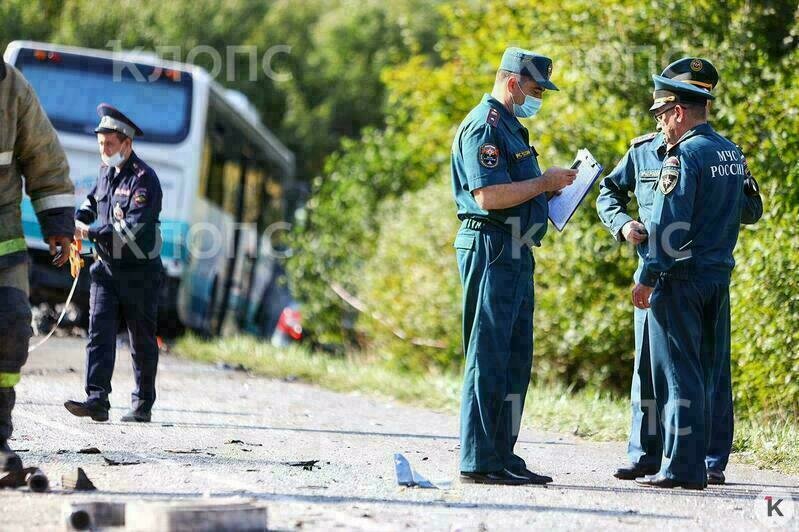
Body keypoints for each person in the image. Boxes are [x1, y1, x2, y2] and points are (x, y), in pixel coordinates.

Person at [596, 58, 762, 485]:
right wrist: (623, 225)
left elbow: (673, 228)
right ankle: (655, 454)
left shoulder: (684, 155)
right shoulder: (726, 151)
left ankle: (691, 463)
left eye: (661, 114)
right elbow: (746, 209)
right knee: (656, 371)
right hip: (709, 272)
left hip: (675, 275)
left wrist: (649, 276)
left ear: (677, 111)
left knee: (687, 372)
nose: (659, 122)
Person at [450, 47, 576, 485]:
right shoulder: (484, 128)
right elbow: (488, 197)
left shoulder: (512, 129)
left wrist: (551, 195)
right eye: (535, 88)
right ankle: (479, 459)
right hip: (491, 246)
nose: (538, 97)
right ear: (511, 82)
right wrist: (544, 183)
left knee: (515, 356)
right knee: (489, 354)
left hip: (517, 248)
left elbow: (517, 191)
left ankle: (503, 454)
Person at [64, 104, 163, 423]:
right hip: (106, 270)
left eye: (109, 144)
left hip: (139, 274)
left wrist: (90, 231)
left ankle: (143, 402)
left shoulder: (144, 180)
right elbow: (92, 200)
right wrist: (81, 217)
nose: (104, 150)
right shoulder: (107, 171)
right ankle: (97, 399)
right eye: (101, 144)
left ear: (126, 143)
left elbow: (131, 229)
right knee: (99, 332)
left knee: (141, 340)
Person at [0, 61, 75, 471]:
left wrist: (58, 223)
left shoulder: (12, 88)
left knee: (11, 325)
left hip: (2, 238)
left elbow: (44, 156)